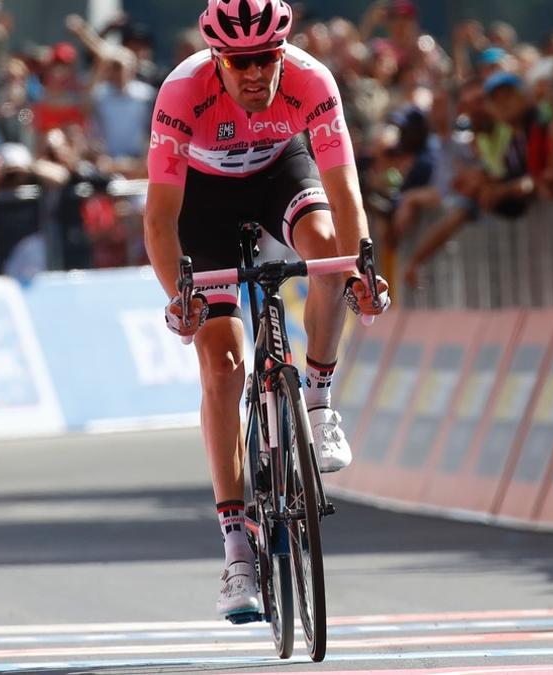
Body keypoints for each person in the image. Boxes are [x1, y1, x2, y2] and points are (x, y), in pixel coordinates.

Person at [143, 0, 390, 622]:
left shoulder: (312, 81)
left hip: (280, 169)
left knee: (330, 251)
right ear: (216, 61)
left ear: (283, 53)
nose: (255, 75)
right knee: (223, 366)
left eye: (266, 60)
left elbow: (345, 190)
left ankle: (319, 398)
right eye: (240, 63)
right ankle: (236, 553)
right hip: (203, 204)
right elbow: (159, 218)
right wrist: (182, 296)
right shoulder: (181, 93)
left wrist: (361, 266)